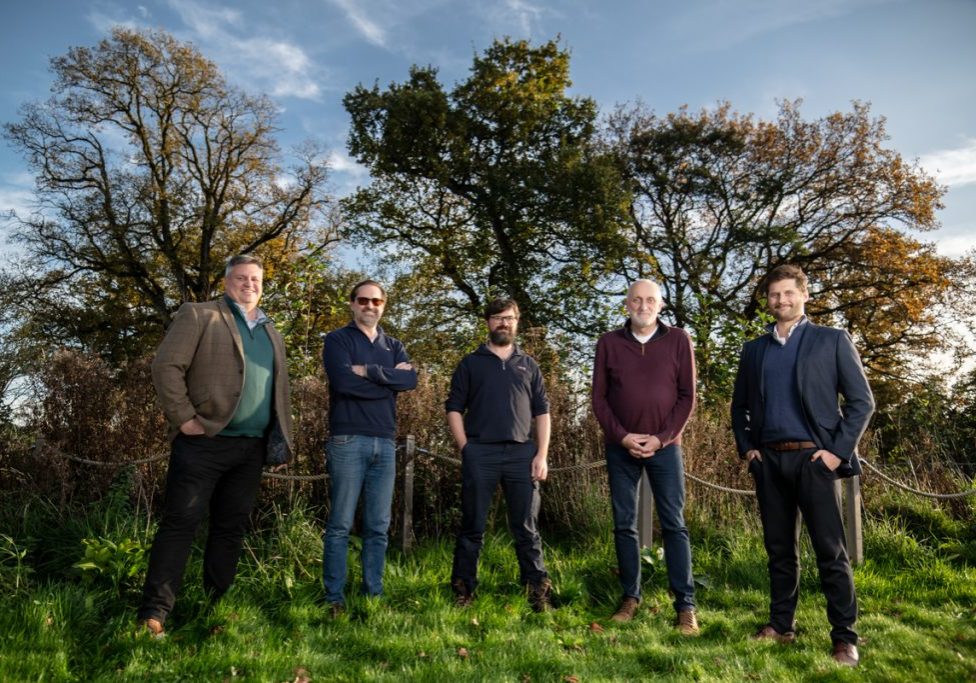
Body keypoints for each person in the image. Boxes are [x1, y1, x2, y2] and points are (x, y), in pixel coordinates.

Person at [137, 254, 293, 637]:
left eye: (256, 279)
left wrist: (279, 437)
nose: (249, 285)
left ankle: (215, 603)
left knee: (231, 528)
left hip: (251, 449)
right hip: (203, 442)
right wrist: (184, 418)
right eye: (241, 278)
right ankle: (154, 614)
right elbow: (165, 366)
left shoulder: (272, 331)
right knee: (180, 524)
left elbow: (278, 391)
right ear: (226, 282)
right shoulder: (199, 314)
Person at [732, 264, 874, 668]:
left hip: (815, 461)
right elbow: (739, 407)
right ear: (767, 301)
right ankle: (781, 624)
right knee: (779, 550)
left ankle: (844, 638)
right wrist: (748, 450)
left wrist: (835, 453)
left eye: (788, 293)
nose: (781, 301)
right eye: (774, 295)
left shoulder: (831, 341)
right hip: (769, 462)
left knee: (831, 552)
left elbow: (862, 403)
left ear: (804, 295)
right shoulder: (754, 349)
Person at [591, 279, 699, 634]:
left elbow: (687, 397)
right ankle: (630, 597)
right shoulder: (608, 343)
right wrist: (622, 437)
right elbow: (599, 399)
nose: (643, 305)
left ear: (661, 305)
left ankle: (685, 604)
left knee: (675, 524)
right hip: (620, 447)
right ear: (626, 304)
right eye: (636, 300)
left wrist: (661, 438)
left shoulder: (679, 340)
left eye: (650, 299)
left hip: (665, 447)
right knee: (624, 523)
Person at [446, 298, 553, 611]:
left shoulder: (528, 365)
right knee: (472, 526)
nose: (503, 323)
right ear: (487, 323)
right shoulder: (470, 363)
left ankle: (538, 594)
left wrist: (542, 454)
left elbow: (542, 413)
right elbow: (453, 408)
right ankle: (463, 592)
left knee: (526, 528)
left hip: (523, 454)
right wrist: (466, 447)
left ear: (517, 321)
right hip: (481, 452)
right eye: (497, 318)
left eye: (509, 318)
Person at [321, 280, 417, 613]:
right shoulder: (337, 340)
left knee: (378, 526)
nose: (369, 306)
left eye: (376, 301)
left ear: (384, 305)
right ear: (352, 304)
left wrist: (370, 372)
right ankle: (333, 598)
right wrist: (388, 381)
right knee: (340, 525)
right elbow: (344, 383)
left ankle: (373, 594)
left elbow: (411, 381)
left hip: (385, 442)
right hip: (348, 438)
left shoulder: (394, 345)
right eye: (363, 300)